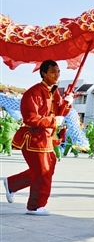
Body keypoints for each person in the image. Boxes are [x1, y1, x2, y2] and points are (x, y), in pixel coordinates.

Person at [3, 60, 73, 215]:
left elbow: (60, 113)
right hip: (33, 137)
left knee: (47, 169)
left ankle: (12, 184)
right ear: (44, 73)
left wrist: (68, 102)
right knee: (42, 172)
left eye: (58, 71)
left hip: (46, 138)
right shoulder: (33, 93)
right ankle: (35, 205)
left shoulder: (54, 92)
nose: (57, 74)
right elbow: (30, 118)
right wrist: (53, 120)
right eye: (53, 71)